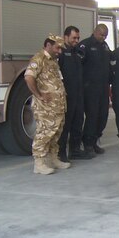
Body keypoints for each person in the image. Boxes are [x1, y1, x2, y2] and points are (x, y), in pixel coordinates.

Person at [24, 34, 70, 175]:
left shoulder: (52, 61)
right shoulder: (39, 59)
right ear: (48, 45)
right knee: (44, 133)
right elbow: (29, 77)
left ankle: (52, 159)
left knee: (55, 132)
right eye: (57, 48)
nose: (59, 51)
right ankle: (39, 162)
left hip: (57, 106)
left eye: (61, 48)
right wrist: (39, 95)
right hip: (46, 108)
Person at [57, 26, 94, 162]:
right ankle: (61, 153)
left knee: (78, 122)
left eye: (78, 38)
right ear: (66, 37)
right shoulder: (60, 52)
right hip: (67, 95)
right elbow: (57, 74)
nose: (76, 40)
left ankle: (75, 150)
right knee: (65, 125)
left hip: (78, 94)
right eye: (74, 38)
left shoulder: (77, 52)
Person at [79, 24, 113, 155]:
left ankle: (95, 141)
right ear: (95, 32)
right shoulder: (85, 45)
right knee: (92, 116)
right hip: (90, 88)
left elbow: (109, 65)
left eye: (105, 35)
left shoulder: (105, 46)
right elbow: (79, 66)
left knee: (103, 115)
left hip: (103, 87)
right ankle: (87, 143)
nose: (103, 37)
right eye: (101, 34)